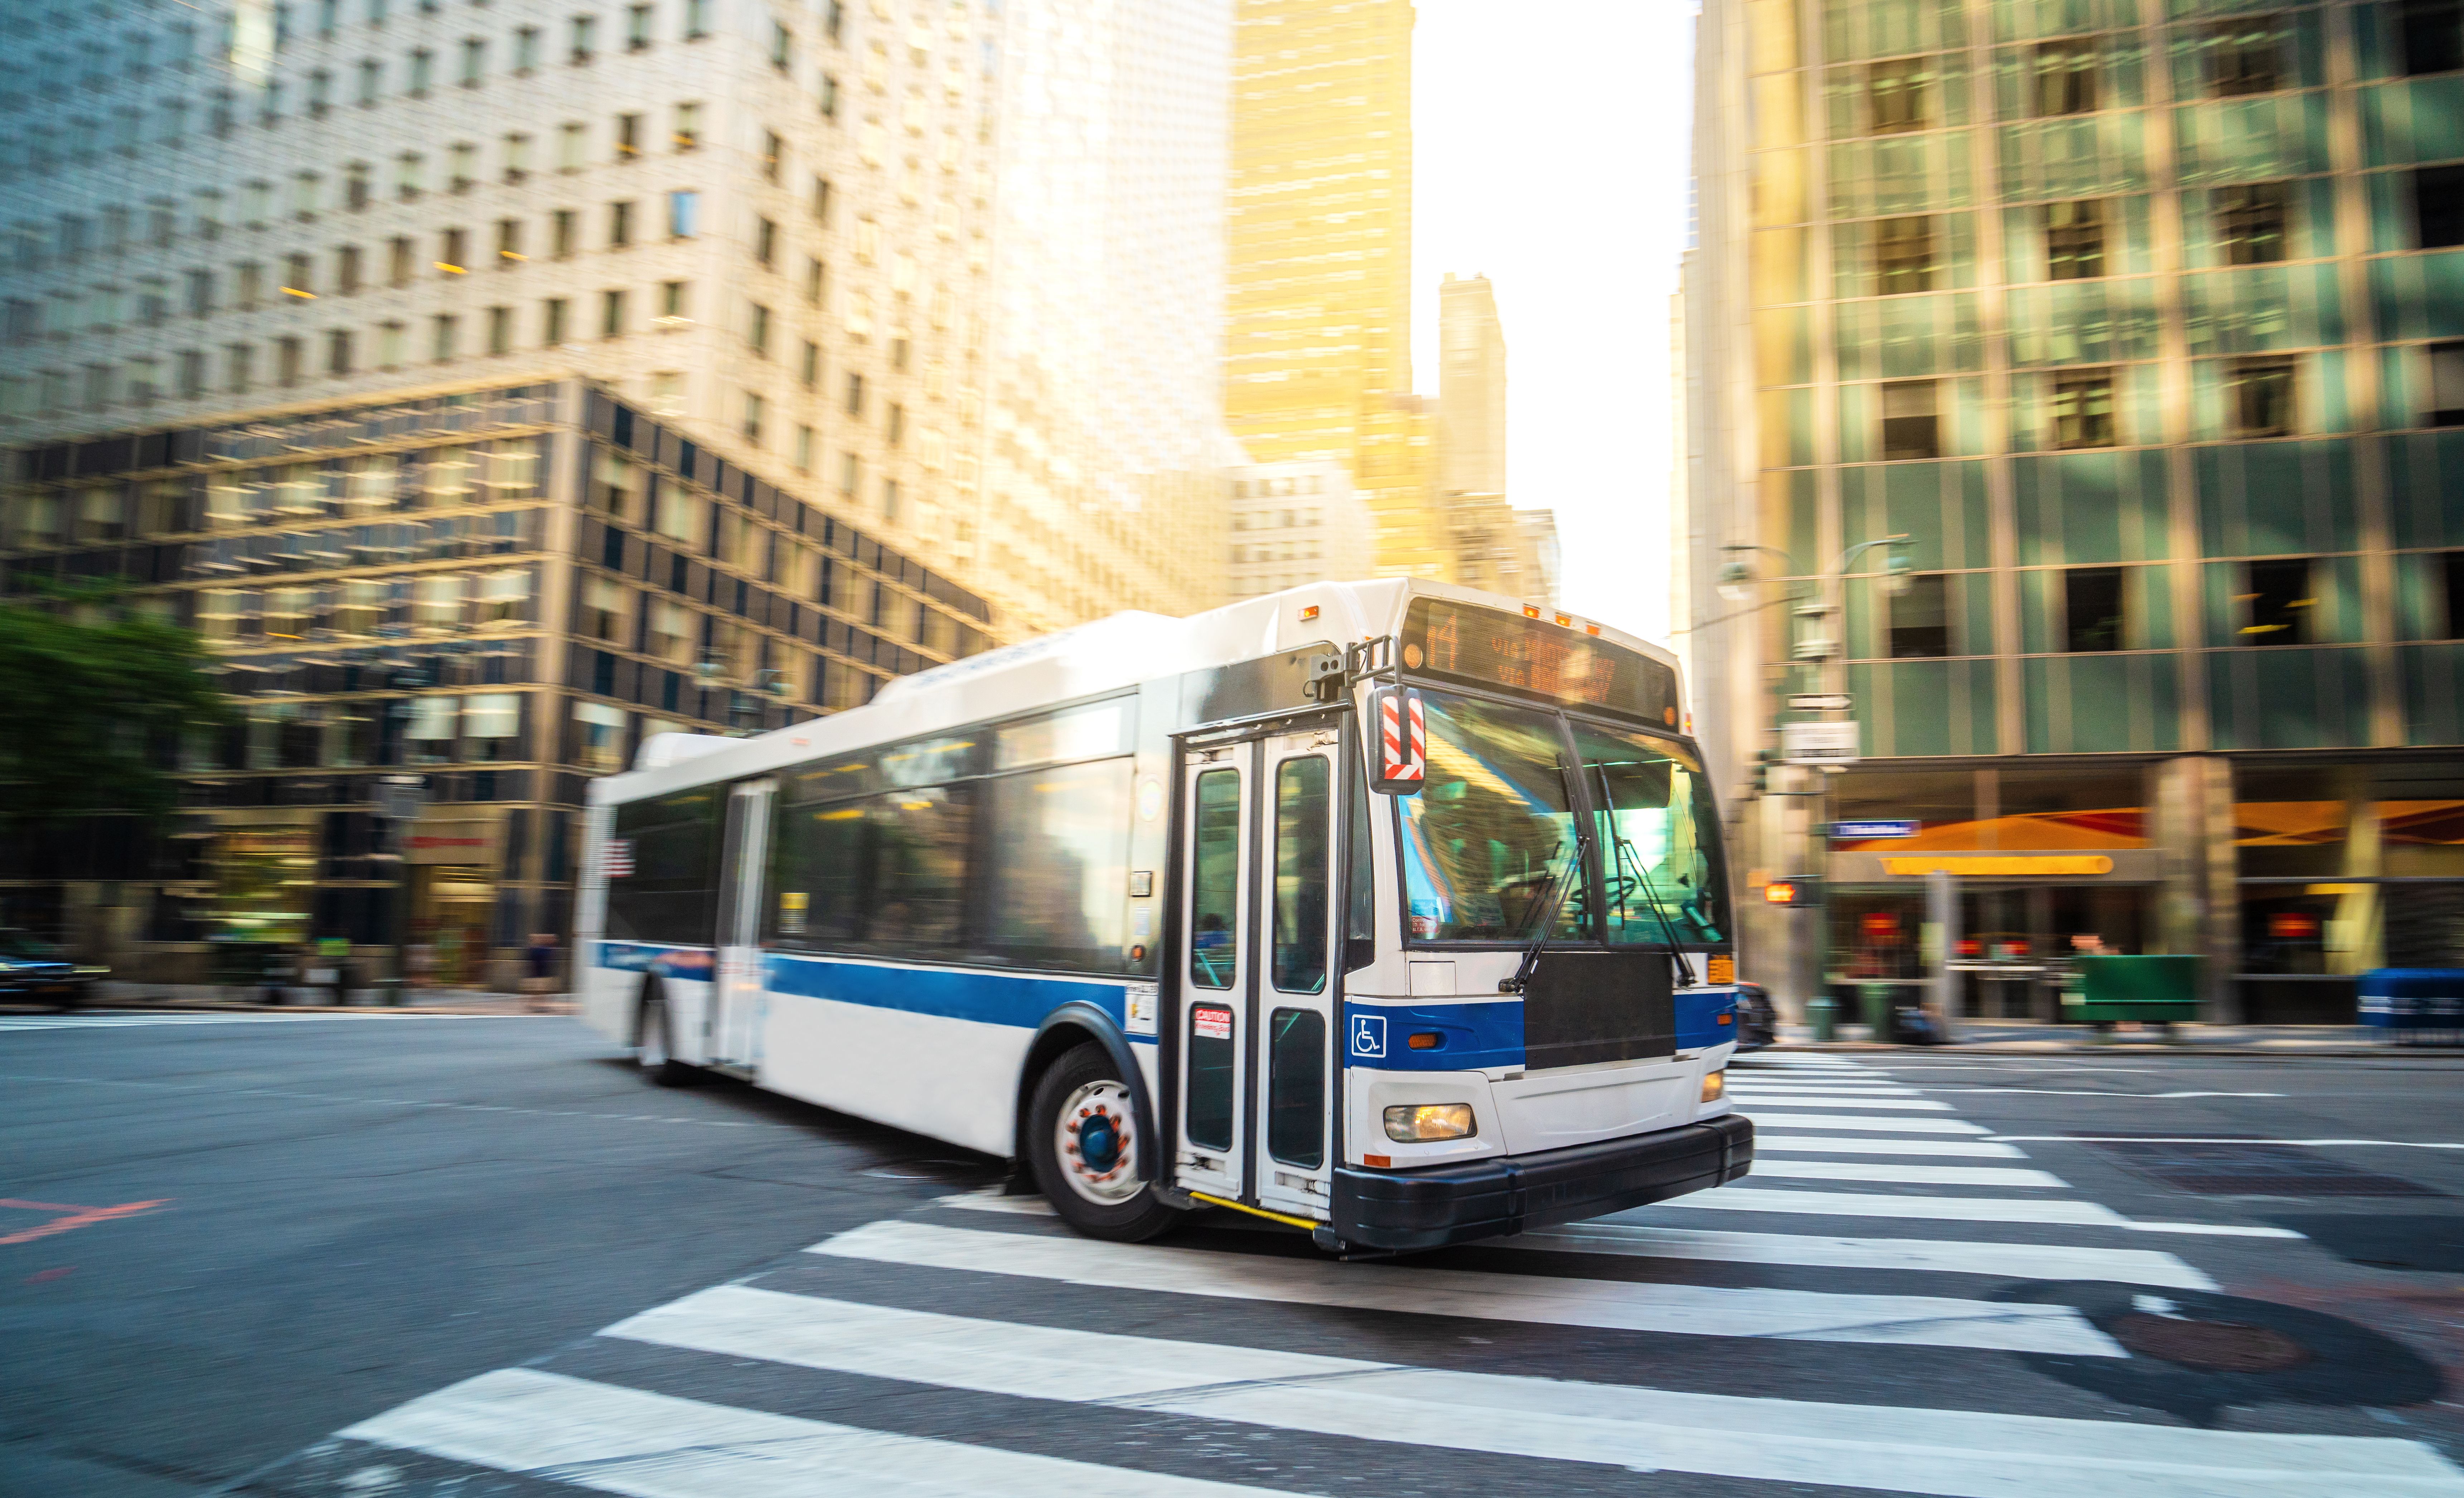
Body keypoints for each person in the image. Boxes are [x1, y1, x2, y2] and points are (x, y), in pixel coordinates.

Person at [521, 931, 560, 1012]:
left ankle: (535, 1005)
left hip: (541, 974)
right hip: (538, 974)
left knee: (540, 992)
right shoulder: (538, 950)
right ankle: (536, 1006)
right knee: (539, 991)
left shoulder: (538, 949)